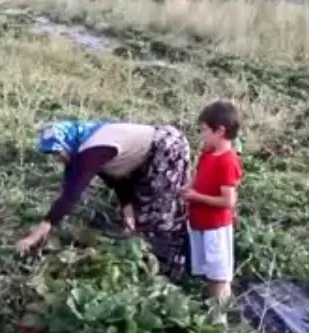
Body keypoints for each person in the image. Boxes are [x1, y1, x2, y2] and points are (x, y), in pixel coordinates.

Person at [16, 119, 192, 278]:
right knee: (141, 215)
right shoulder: (85, 146)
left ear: (66, 143)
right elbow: (115, 174)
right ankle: (152, 267)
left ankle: (173, 272)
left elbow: (71, 195)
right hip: (148, 157)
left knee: (159, 216)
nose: (56, 159)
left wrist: (37, 233)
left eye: (57, 152)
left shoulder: (91, 151)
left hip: (167, 147)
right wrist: (127, 208)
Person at [184, 100, 243, 306]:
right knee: (209, 272)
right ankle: (213, 312)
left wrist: (196, 197)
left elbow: (228, 201)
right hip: (200, 223)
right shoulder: (207, 154)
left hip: (215, 228)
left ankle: (220, 321)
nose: (203, 135)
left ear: (220, 131)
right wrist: (188, 189)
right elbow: (198, 179)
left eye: (205, 130)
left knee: (219, 276)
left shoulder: (227, 161)